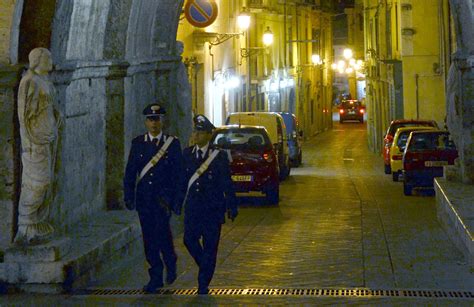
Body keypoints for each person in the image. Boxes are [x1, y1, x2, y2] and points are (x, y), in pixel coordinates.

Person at [123, 103, 184, 293]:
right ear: (146, 122)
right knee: (149, 239)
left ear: (162, 121)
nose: (154, 123)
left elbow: (178, 175)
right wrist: (129, 195)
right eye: (150, 119)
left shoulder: (172, 144)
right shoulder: (138, 143)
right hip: (144, 200)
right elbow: (130, 171)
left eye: (157, 119)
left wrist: (175, 201)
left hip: (162, 200)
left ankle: (170, 261)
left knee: (162, 234)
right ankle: (155, 276)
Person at [181, 114, 238, 295]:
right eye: (194, 132)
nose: (195, 135)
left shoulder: (218, 156)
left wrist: (232, 205)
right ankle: (205, 265)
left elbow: (226, 182)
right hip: (193, 209)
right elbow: (180, 182)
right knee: (189, 240)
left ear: (207, 135)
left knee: (210, 246)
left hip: (212, 209)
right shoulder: (187, 154)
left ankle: (203, 283)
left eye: (199, 132)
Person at [15, 48, 61, 244]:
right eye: (47, 58)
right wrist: (29, 141)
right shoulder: (29, 82)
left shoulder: (46, 82)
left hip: (48, 137)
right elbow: (23, 116)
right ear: (37, 60)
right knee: (37, 181)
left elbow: (51, 107)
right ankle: (26, 224)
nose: (50, 61)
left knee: (49, 181)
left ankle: (38, 220)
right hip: (35, 142)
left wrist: (57, 118)